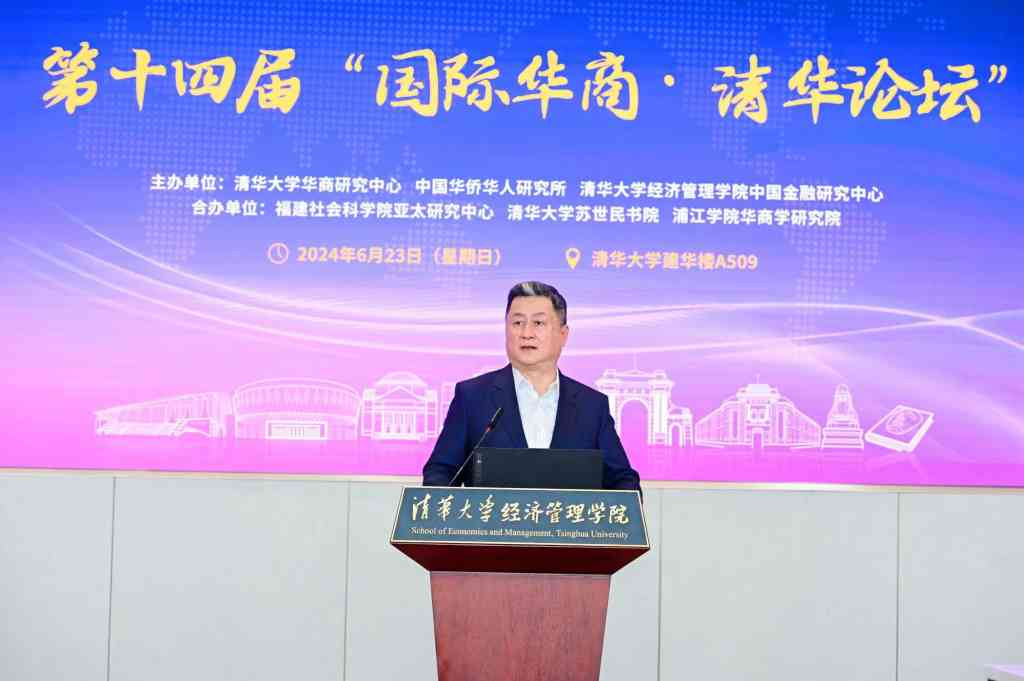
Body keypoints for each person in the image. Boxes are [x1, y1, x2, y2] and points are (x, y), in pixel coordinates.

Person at [422, 281, 641, 491]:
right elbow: (441, 472)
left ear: (563, 335)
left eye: (538, 323)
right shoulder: (472, 397)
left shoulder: (592, 406)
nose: (526, 333)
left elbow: (622, 480)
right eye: (517, 323)